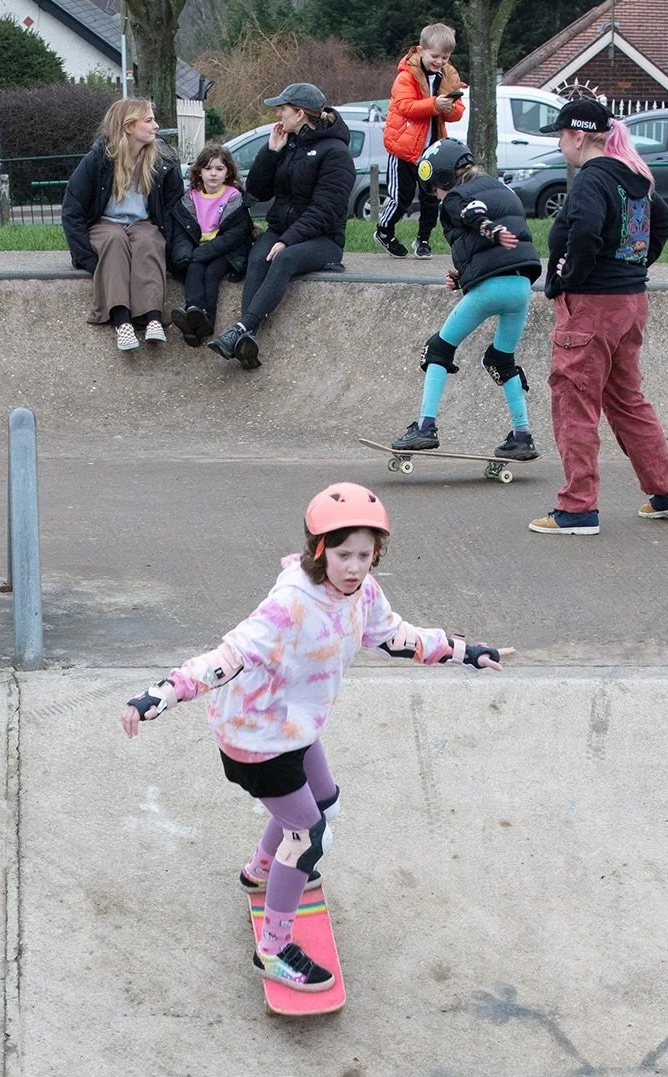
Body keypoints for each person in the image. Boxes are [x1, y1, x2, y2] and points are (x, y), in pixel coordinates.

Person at [120, 482, 510, 992]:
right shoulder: (290, 604)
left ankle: (260, 871)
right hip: (256, 737)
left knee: (323, 805)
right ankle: (275, 949)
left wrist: (463, 651)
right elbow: (229, 656)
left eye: (365, 555)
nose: (354, 566)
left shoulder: (362, 592)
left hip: (295, 728)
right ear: (319, 549)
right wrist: (163, 693)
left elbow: (394, 637)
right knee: (307, 835)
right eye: (344, 554)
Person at [528, 98, 668, 536]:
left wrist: (568, 280)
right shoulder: (634, 175)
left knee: (574, 399)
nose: (560, 144)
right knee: (625, 399)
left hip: (592, 304)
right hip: (630, 302)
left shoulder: (591, 179)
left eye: (561, 136)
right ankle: (667, 492)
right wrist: (635, 265)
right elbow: (663, 225)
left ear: (578, 136)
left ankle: (578, 508)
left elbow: (584, 231)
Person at [391, 139, 542, 461]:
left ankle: (426, 427)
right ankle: (522, 436)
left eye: (434, 190)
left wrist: (489, 228)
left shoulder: (457, 197)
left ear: (443, 179)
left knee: (438, 349)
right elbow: (489, 253)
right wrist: (464, 276)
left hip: (490, 290)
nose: (436, 197)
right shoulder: (502, 189)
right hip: (519, 288)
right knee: (501, 359)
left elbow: (473, 214)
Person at [208, 84, 353, 370]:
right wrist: (272, 152)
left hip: (323, 239)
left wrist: (287, 240)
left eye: (283, 108)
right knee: (258, 256)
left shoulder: (336, 153)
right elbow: (259, 191)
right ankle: (246, 335)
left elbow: (326, 211)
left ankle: (241, 329)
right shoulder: (289, 144)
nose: (278, 113)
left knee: (282, 258)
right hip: (283, 230)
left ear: (299, 114)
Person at [62, 97, 184, 352]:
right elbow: (72, 211)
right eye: (149, 120)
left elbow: (175, 210)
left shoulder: (163, 161)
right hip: (105, 222)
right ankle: (122, 321)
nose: (156, 125)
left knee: (148, 241)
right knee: (114, 241)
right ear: (129, 127)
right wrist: (89, 261)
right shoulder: (97, 160)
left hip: (143, 222)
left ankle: (152, 317)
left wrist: (173, 251)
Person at [376, 23, 466, 260]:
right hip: (403, 148)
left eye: (445, 57)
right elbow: (405, 107)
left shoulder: (448, 75)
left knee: (431, 197)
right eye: (435, 56)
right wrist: (435, 104)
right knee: (401, 196)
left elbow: (457, 113)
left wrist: (449, 106)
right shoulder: (406, 76)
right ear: (421, 50)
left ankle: (423, 239)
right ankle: (385, 231)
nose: (439, 61)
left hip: (431, 149)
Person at [169, 144, 252, 346]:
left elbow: (235, 235)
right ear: (199, 171)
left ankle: (208, 318)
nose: (213, 174)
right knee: (193, 269)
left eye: (219, 169)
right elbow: (182, 232)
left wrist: (202, 253)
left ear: (228, 172)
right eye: (208, 168)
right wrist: (185, 254)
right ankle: (194, 314)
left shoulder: (234, 197)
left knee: (212, 272)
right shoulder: (191, 198)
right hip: (199, 249)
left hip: (226, 251)